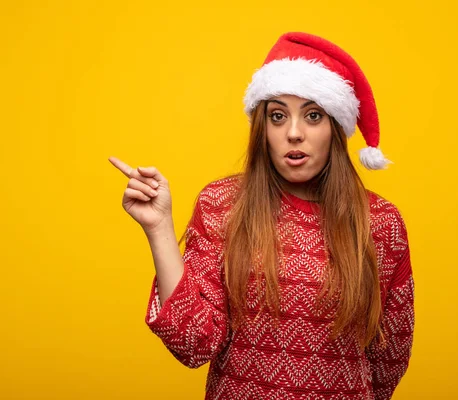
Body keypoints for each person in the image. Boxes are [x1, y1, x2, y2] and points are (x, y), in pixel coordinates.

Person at [109, 32, 414, 400]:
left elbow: (389, 359)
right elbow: (194, 343)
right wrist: (159, 228)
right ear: (262, 128)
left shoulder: (380, 222)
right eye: (278, 116)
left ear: (335, 127)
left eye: (313, 115)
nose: (294, 133)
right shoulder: (222, 205)